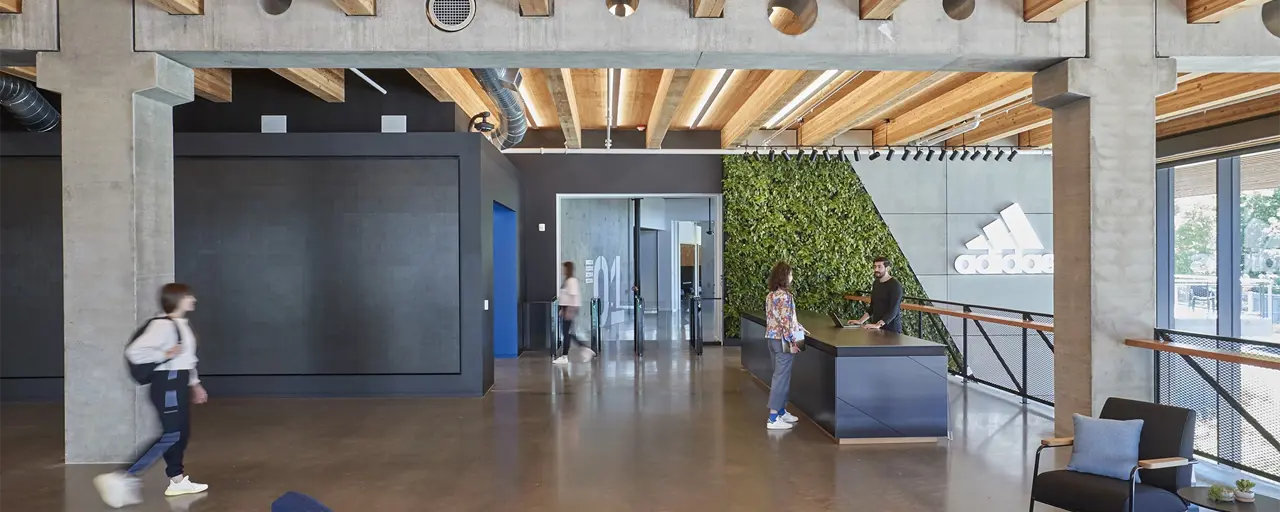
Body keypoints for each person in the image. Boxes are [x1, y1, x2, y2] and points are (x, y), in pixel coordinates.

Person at [94, 283, 210, 508]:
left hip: (179, 380)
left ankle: (177, 481)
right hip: (167, 383)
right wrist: (163, 353)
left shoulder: (180, 324)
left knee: (181, 433)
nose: (193, 298)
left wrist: (195, 384)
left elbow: (186, 359)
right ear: (176, 299)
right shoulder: (162, 325)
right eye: (188, 295)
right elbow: (134, 351)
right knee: (172, 434)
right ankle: (124, 475)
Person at [764, 262, 806, 430]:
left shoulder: (771, 295)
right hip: (784, 340)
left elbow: (781, 319)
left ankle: (781, 411)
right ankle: (773, 418)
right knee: (781, 378)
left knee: (781, 375)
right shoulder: (786, 296)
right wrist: (794, 342)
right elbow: (786, 323)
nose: (792, 277)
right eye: (790, 274)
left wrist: (799, 326)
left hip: (772, 338)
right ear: (785, 276)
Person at [552, 262, 595, 364]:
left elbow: (573, 297)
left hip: (569, 309)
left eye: (564, 268)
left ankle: (566, 355)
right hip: (566, 309)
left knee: (567, 333)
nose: (563, 270)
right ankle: (583, 349)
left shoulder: (571, 281)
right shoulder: (567, 280)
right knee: (569, 334)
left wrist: (569, 311)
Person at [853, 257, 904, 333]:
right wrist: (860, 321)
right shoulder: (876, 283)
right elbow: (872, 307)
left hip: (892, 331)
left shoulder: (895, 285)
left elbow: (893, 310)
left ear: (887, 268)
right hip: (877, 328)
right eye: (875, 266)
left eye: (879, 267)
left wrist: (878, 325)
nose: (876, 269)